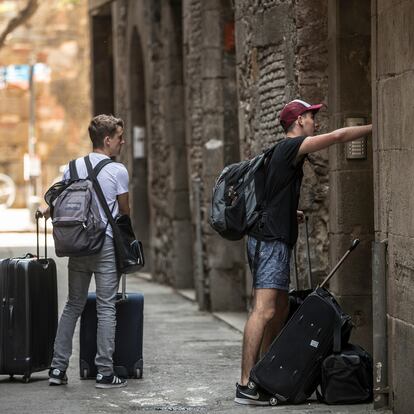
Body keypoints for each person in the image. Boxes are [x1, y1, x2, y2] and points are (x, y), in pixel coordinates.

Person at [235, 99, 372, 405]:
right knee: (265, 309)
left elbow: (271, 194)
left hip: (271, 236)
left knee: (280, 308)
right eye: (311, 117)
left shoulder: (279, 153)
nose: (315, 122)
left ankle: (266, 372)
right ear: (298, 121)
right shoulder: (290, 147)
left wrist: (288, 212)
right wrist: (376, 127)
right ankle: (245, 383)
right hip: (270, 241)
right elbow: (337, 138)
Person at [39, 114, 130, 389]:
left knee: (73, 305)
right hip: (104, 246)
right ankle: (104, 372)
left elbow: (61, 200)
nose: (122, 142)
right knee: (106, 307)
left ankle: (57, 369)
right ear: (107, 140)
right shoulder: (118, 171)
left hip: (78, 245)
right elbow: (125, 211)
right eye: (119, 137)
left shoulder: (72, 167)